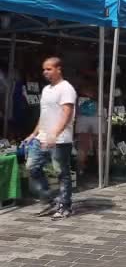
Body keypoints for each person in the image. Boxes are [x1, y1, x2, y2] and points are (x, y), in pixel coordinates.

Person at [25, 57, 77, 220]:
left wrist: (55, 133)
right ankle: (50, 199)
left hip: (60, 140)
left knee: (62, 173)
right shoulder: (46, 89)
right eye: (44, 69)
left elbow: (67, 114)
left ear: (58, 69)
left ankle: (65, 206)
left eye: (48, 69)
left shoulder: (66, 88)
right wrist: (34, 133)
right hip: (42, 138)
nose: (45, 72)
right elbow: (44, 115)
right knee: (32, 166)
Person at [75, 80, 102, 177]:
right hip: (96, 118)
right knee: (99, 145)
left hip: (82, 119)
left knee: (83, 146)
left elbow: (76, 107)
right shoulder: (97, 91)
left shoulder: (79, 92)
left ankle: (80, 170)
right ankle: (101, 171)